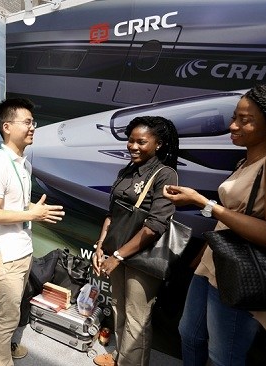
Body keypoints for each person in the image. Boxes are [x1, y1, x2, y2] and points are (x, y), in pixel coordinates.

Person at [162, 79, 266, 365]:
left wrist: (204, 204)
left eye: (245, 120)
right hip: (215, 263)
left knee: (223, 356)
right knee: (189, 335)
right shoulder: (250, 159)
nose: (232, 126)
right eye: (234, 118)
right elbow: (234, 215)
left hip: (244, 271)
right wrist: (204, 255)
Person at [0, 98, 66, 366]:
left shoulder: (24, 164)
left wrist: (35, 210)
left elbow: (14, 205)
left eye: (33, 122)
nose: (32, 127)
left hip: (23, 249)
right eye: (27, 122)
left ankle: (5, 348)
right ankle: (0, 361)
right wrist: (32, 214)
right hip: (6, 257)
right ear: (7, 127)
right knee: (5, 315)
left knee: (14, 309)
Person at [91, 116, 180, 366]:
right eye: (130, 141)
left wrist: (118, 257)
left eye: (141, 142)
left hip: (142, 258)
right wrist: (100, 247)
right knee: (119, 307)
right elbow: (112, 213)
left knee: (136, 317)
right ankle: (121, 356)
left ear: (159, 144)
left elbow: (155, 226)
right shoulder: (127, 170)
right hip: (116, 252)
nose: (133, 146)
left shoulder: (165, 174)